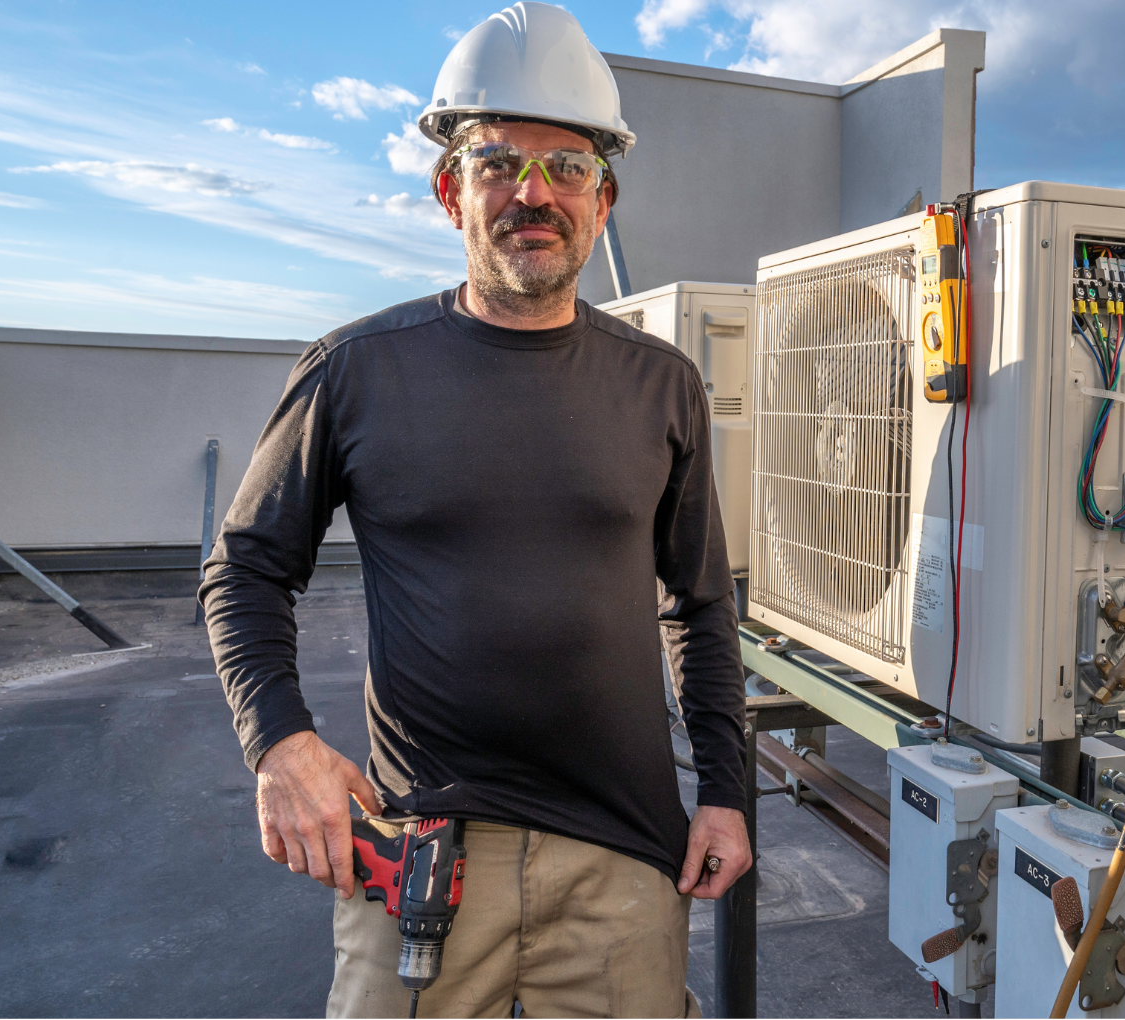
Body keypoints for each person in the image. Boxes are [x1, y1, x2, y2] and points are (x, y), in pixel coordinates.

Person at [199, 4, 751, 1016]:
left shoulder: (662, 387)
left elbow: (702, 605)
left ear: (604, 198)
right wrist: (279, 742)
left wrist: (724, 789)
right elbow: (244, 568)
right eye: (499, 163)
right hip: (419, 859)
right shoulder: (356, 371)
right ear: (451, 190)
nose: (532, 195)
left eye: (567, 169)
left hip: (623, 864)